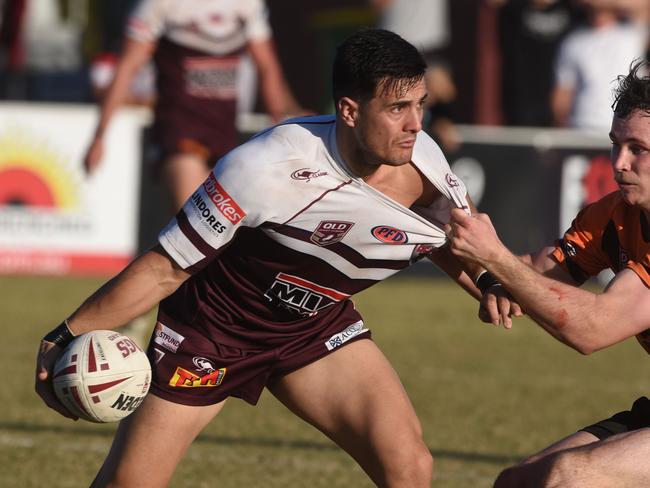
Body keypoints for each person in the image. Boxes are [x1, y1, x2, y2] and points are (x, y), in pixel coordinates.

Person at [35, 29, 505, 487]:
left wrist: (489, 283)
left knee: (409, 467)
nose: (415, 124)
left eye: (420, 104)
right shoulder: (265, 167)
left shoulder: (422, 156)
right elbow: (163, 269)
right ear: (348, 110)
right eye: (398, 108)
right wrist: (67, 332)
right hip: (212, 331)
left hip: (312, 328)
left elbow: (446, 236)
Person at [447, 60, 650, 487]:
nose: (619, 163)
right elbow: (536, 279)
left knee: (569, 479)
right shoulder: (612, 214)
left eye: (638, 149)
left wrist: (495, 260)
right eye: (616, 144)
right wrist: (443, 238)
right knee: (517, 482)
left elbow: (593, 329)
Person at [83, 0, 306, 213]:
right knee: (193, 225)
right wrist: (100, 135)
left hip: (224, 132)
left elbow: (267, 65)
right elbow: (127, 66)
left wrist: (283, 124)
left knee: (220, 238)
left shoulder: (247, 4)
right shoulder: (160, 4)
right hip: (179, 129)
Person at [551, 0, 647, 131]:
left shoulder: (634, 34)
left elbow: (644, 5)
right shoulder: (573, 41)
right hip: (582, 125)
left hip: (624, 124)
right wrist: (560, 126)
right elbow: (563, 93)